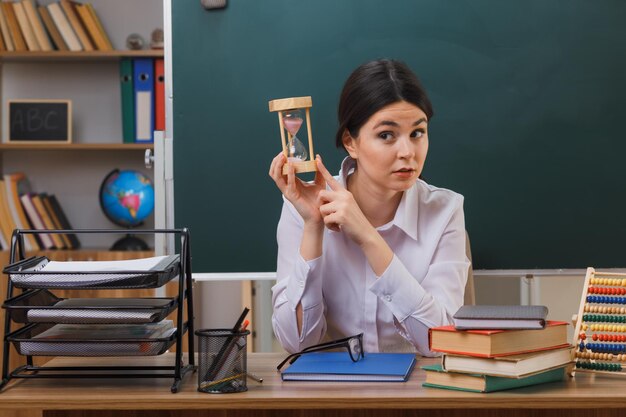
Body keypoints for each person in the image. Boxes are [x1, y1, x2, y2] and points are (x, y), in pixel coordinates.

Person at [268, 59, 470, 356]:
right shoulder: (306, 204)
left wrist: (368, 237)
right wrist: (313, 226)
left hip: (419, 393)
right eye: (386, 135)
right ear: (351, 142)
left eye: (417, 133)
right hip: (332, 394)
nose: (407, 152)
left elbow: (440, 342)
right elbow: (296, 343)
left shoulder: (445, 210)